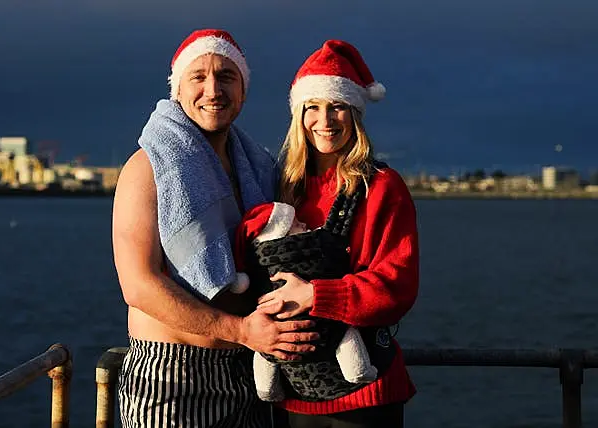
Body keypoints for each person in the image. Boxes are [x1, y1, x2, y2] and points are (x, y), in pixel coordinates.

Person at [112, 29, 319, 428]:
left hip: (250, 369)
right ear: (177, 89)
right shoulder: (147, 168)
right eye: (199, 76)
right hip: (172, 379)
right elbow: (137, 285)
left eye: (226, 76)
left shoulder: (258, 170)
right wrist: (240, 330)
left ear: (243, 90)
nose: (213, 89)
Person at [263, 40, 420, 428]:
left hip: (365, 393)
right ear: (298, 115)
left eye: (337, 106)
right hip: (295, 391)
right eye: (312, 107)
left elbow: (397, 286)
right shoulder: (283, 187)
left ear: (355, 112)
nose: (325, 120)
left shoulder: (382, 186)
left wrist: (315, 294)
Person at [232, 201, 379, 402]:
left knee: (265, 353)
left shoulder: (379, 186)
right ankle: (357, 370)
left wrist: (314, 293)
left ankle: (266, 389)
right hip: (324, 395)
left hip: (301, 395)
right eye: (297, 223)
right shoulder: (291, 186)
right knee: (344, 333)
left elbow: (393, 289)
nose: (305, 225)